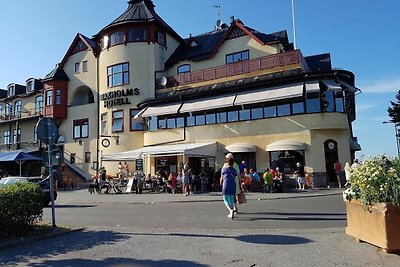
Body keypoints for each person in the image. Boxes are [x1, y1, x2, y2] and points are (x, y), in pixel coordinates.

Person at [220, 154, 237, 219]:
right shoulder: (234, 170)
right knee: (231, 199)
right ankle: (231, 212)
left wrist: (221, 183)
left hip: (226, 185)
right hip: (233, 185)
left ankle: (230, 210)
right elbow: (235, 177)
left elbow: (222, 178)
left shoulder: (224, 169)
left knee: (225, 199)